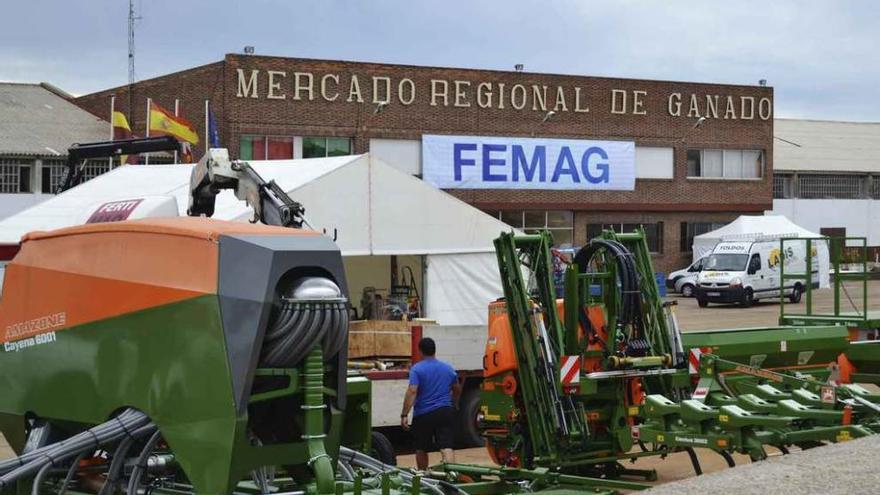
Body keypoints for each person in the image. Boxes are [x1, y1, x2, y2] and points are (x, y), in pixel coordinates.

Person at [400, 337, 461, 470]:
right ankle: (452, 475)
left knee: (421, 447)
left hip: (424, 414)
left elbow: (412, 391)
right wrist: (454, 403)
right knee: (446, 446)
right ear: (434, 350)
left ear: (420, 351)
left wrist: (404, 414)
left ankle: (423, 476)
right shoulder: (448, 368)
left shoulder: (417, 369)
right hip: (445, 411)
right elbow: (456, 388)